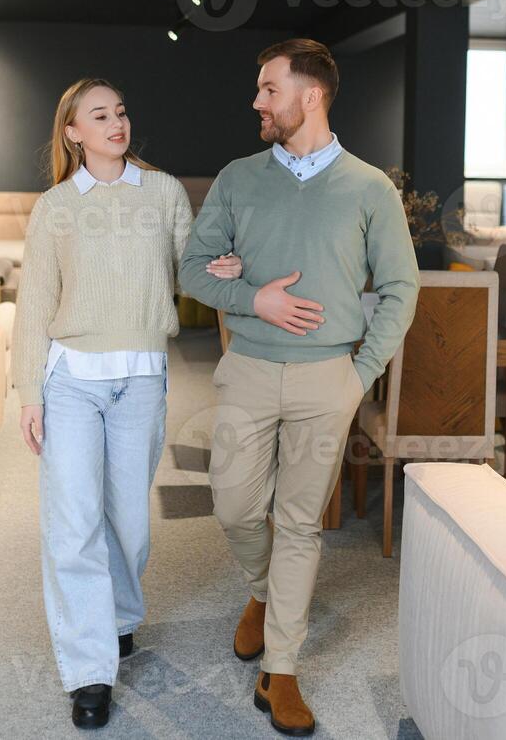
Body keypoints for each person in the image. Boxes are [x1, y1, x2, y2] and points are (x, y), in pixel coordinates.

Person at [179, 38, 419, 736]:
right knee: (232, 505)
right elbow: (191, 270)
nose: (257, 101)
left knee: (299, 523)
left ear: (308, 96)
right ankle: (260, 592)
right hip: (249, 368)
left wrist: (358, 376)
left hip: (329, 376)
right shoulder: (237, 177)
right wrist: (255, 300)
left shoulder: (369, 187)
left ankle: (280, 668)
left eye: (267, 89)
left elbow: (401, 290)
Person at [13, 76, 239, 729]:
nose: (116, 122)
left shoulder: (162, 191)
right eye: (98, 115)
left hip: (140, 378)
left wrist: (221, 269)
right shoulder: (54, 206)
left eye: (120, 112)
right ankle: (89, 672)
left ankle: (115, 617)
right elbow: (33, 306)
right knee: (74, 523)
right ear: (73, 133)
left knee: (129, 524)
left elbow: (189, 267)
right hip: (71, 381)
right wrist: (30, 391)